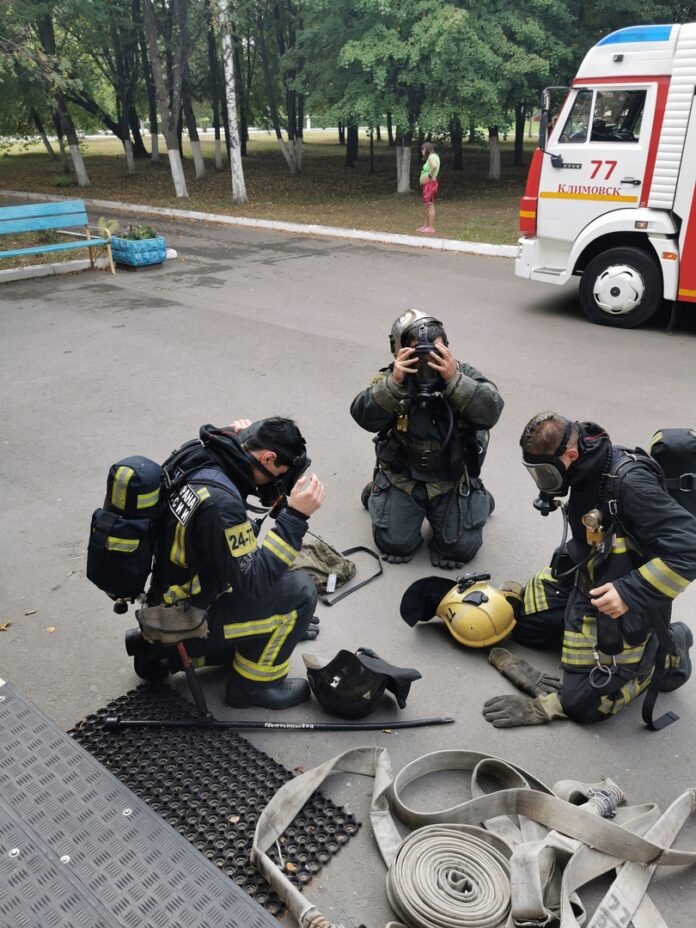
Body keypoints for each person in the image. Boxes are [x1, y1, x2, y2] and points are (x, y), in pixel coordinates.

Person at [483, 412, 696, 728]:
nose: (544, 481)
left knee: (582, 705)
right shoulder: (585, 460)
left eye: (546, 473)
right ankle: (579, 637)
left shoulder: (630, 484)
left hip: (622, 596)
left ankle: (667, 648)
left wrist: (629, 593)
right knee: (524, 626)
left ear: (570, 454)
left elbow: (689, 547)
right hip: (585, 573)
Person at [127, 417, 325, 710]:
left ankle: (161, 652)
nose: (278, 484)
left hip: (171, 597)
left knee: (283, 603)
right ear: (267, 458)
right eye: (279, 474)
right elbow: (254, 582)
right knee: (300, 593)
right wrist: (295, 518)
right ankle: (253, 687)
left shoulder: (201, 453)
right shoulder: (221, 506)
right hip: (192, 620)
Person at [350, 309, 503, 569]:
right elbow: (362, 415)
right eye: (417, 353)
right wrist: (394, 383)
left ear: (445, 348)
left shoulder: (462, 373)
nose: (425, 361)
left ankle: (478, 497)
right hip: (403, 477)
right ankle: (380, 492)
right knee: (394, 544)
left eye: (433, 351)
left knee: (459, 550)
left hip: (450, 478)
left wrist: (454, 379)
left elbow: (491, 410)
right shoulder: (392, 377)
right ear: (400, 352)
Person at [418, 142, 440, 234]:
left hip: (430, 185)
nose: (422, 152)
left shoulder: (431, 157)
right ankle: (426, 225)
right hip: (428, 185)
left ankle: (431, 227)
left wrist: (430, 176)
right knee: (427, 205)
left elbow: (434, 166)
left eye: (422, 149)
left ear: (426, 149)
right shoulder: (435, 156)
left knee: (430, 205)